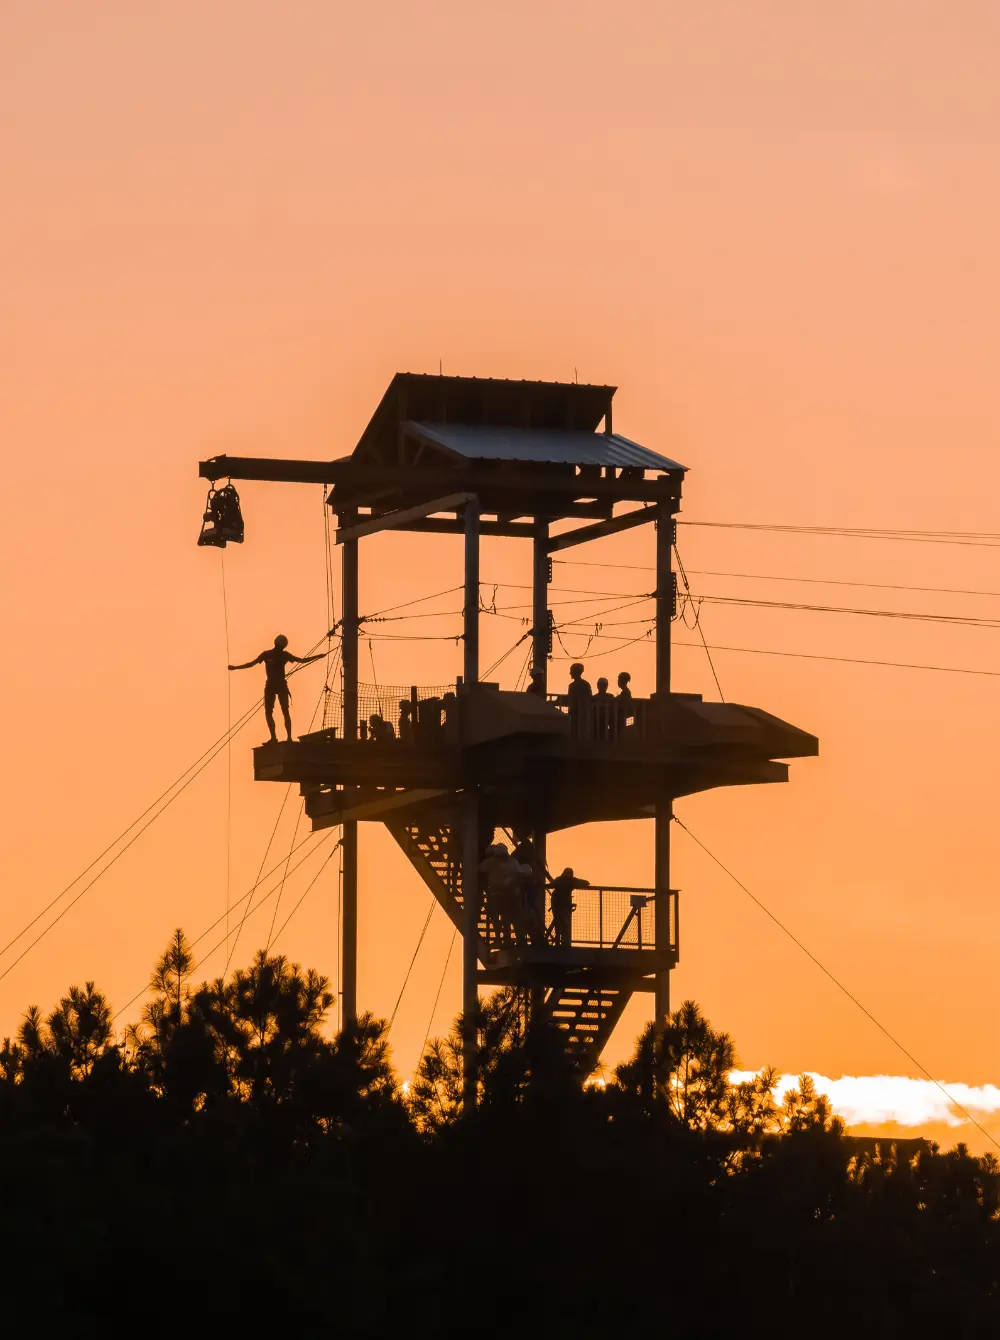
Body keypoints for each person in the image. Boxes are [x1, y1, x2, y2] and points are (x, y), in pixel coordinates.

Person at [228, 635, 323, 743]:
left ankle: (282, 737)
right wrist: (235, 668)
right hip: (275, 686)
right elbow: (302, 660)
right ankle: (282, 737)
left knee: (278, 712)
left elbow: (251, 664)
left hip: (276, 686)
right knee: (279, 711)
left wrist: (235, 668)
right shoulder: (277, 655)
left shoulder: (273, 654)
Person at [548, 867, 590, 948]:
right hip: (563, 905)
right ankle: (564, 941)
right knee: (564, 923)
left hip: (556, 904)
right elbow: (585, 883)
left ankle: (558, 941)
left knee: (558, 923)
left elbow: (550, 885)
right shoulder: (571, 880)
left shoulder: (559, 879)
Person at [567, 662, 592, 738]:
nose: (570, 673)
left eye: (572, 671)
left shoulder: (584, 685)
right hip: (574, 712)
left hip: (582, 712)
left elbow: (589, 698)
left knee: (581, 732)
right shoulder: (573, 685)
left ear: (576, 672)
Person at [592, 676, 614, 741]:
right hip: (596, 720)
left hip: (608, 719)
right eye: (600, 685)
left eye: (604, 685)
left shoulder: (610, 696)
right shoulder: (594, 697)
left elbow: (612, 706)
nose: (602, 687)